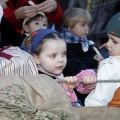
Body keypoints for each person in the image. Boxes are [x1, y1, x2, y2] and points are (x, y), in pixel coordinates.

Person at [20, 28, 97, 106]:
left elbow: (82, 75)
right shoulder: (37, 81)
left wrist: (87, 82)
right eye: (53, 56)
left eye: (63, 54)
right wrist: (65, 89)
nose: (61, 60)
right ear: (37, 58)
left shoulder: (72, 67)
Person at [85, 12, 120, 106]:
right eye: (108, 39)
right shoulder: (110, 67)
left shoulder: (112, 68)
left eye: (114, 41)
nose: (108, 44)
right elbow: (96, 102)